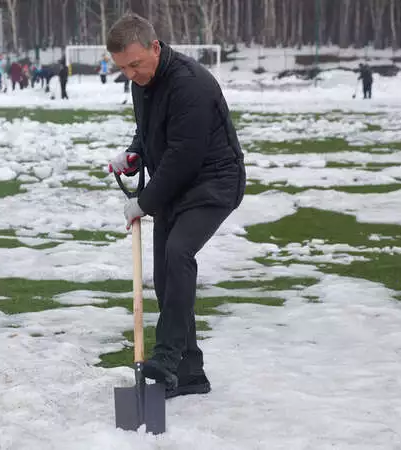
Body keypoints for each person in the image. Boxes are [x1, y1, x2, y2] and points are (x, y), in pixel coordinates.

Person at [106, 12, 246, 399]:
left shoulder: (190, 83)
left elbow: (185, 155)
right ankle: (190, 373)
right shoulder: (142, 82)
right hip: (176, 187)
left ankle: (167, 358)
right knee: (165, 276)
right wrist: (134, 154)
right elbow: (150, 131)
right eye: (123, 68)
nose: (130, 74)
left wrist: (144, 202)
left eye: (135, 64)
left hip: (215, 182)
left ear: (155, 47)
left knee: (179, 252)